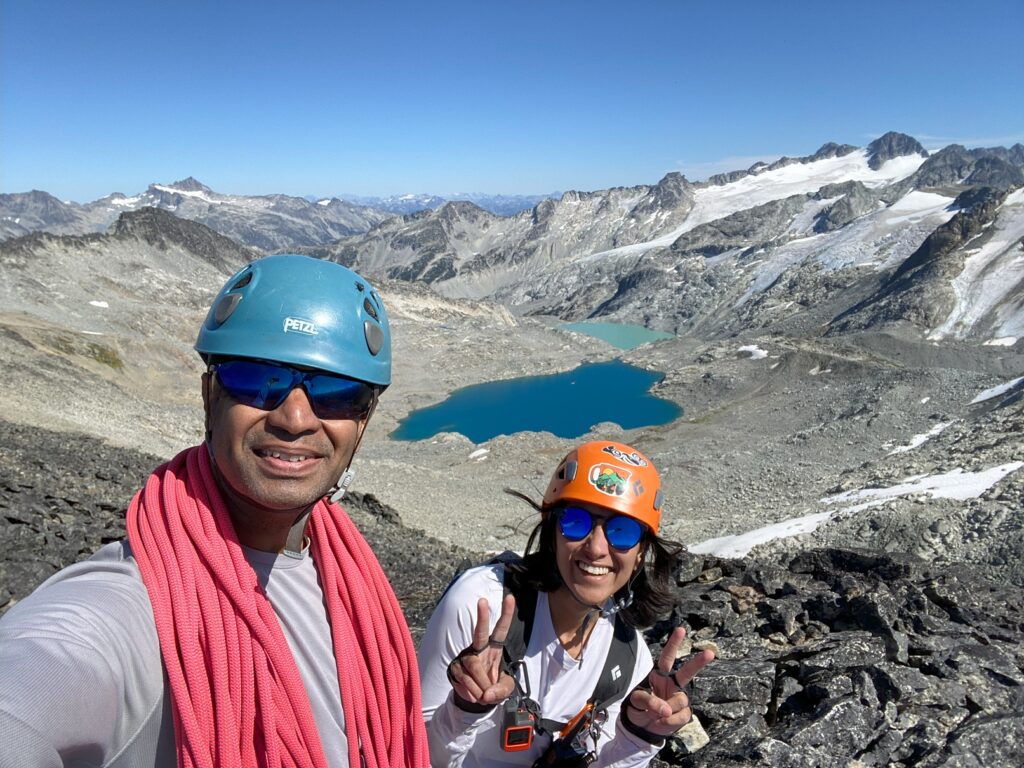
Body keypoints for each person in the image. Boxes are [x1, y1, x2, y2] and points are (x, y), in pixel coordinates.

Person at [0, 254, 430, 768]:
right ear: (210, 395)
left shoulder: (350, 582)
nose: (295, 418)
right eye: (257, 379)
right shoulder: (130, 606)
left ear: (364, 419)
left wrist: (464, 711)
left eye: (337, 392)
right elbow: (32, 685)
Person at [418, 440, 714, 767]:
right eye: (576, 521)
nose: (596, 548)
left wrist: (638, 736)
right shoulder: (480, 604)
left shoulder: (628, 659)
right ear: (552, 531)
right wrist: (465, 708)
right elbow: (416, 754)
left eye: (622, 531)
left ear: (641, 552)